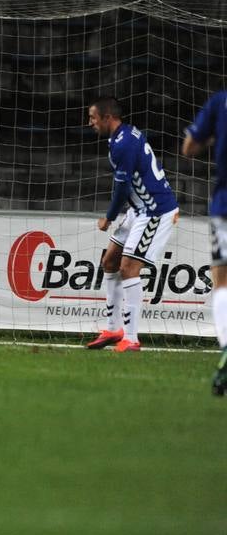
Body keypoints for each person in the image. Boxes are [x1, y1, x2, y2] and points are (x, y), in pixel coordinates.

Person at [84, 96, 179, 353]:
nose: (89, 122)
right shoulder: (121, 136)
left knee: (128, 267)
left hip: (156, 210)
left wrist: (109, 217)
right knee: (110, 262)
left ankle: (132, 338)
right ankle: (113, 328)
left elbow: (122, 186)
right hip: (139, 209)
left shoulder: (122, 145)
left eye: (93, 117)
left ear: (108, 118)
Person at [182, 89, 227, 395]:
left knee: (222, 280)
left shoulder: (220, 101)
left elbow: (189, 147)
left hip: (225, 205)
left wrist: (213, 137)